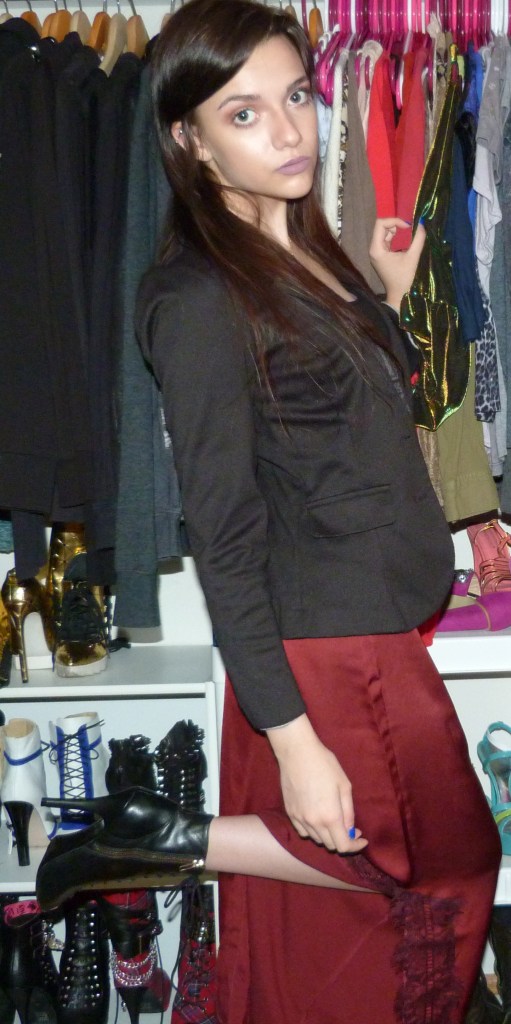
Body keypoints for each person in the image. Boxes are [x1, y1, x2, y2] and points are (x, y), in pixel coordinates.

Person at [35, 1, 501, 1021]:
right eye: (243, 114)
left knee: (379, 882)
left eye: (294, 96)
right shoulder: (197, 297)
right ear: (190, 141)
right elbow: (224, 532)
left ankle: (172, 843)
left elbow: (342, 408)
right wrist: (292, 741)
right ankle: (160, 837)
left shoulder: (304, 250)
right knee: (439, 857)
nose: (289, 132)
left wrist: (386, 298)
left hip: (373, 631)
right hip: (328, 647)